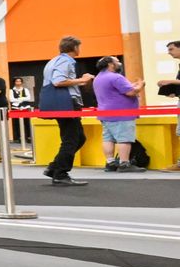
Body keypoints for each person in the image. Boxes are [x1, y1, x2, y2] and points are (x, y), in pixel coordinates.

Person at [40, 35, 95, 186]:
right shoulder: (66, 61)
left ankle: (55, 167)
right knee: (71, 139)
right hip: (67, 103)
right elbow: (58, 81)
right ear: (75, 48)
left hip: (61, 102)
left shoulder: (54, 60)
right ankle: (60, 173)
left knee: (78, 138)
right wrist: (82, 80)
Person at [91, 56, 145, 172]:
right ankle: (124, 164)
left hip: (105, 113)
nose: (119, 63)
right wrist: (141, 85)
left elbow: (118, 90)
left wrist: (132, 85)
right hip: (122, 114)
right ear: (110, 64)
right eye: (117, 61)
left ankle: (110, 163)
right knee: (124, 139)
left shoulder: (98, 78)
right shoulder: (116, 77)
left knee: (108, 139)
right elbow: (130, 92)